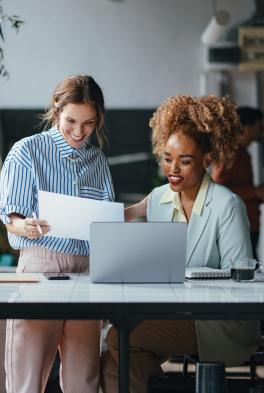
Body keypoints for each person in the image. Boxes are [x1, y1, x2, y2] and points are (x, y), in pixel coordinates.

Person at [100, 94, 261, 393]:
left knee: (118, 340)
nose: (173, 169)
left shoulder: (227, 205)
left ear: (207, 160)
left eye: (185, 161)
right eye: (167, 158)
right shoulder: (160, 199)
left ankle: (154, 383)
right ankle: (154, 383)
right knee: (109, 365)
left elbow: (241, 284)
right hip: (173, 311)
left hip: (217, 319)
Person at [0, 75, 114, 393]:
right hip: (40, 268)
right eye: (71, 121)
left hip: (87, 273)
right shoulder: (27, 152)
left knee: (85, 380)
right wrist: (21, 225)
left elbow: (104, 221)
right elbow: (10, 216)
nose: (79, 132)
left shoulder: (98, 161)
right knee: (27, 380)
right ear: (56, 110)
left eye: (89, 123)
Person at [212, 106, 264, 260]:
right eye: (260, 127)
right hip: (239, 226)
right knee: (246, 272)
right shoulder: (230, 153)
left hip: (250, 224)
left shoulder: (244, 154)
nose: (262, 131)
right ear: (247, 129)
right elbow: (218, 188)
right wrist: (254, 192)